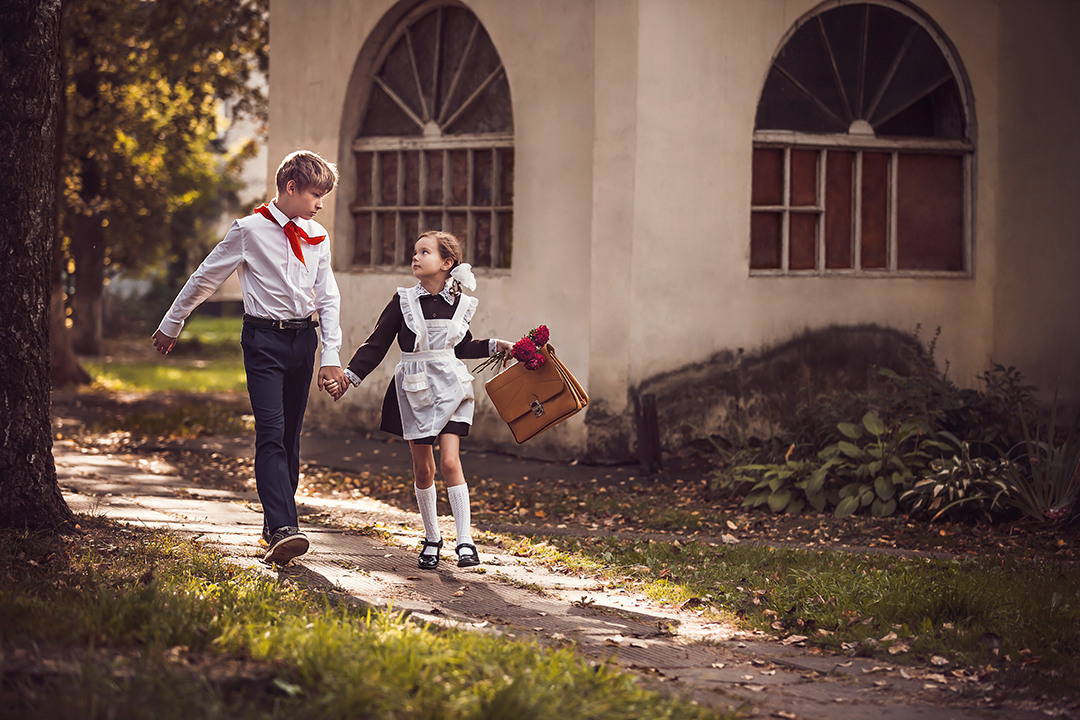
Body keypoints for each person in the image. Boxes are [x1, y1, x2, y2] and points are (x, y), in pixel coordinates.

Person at [152, 150, 346, 566]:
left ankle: (275, 523)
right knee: (271, 431)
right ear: (290, 188)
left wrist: (331, 353)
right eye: (315, 194)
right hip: (263, 340)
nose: (320, 204)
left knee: (291, 435)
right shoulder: (250, 230)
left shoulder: (318, 235)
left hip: (303, 341)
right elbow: (206, 276)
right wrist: (173, 322)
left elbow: (327, 298)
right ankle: (283, 528)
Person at [326, 231, 510, 569]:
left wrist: (496, 345)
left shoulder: (460, 304)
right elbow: (377, 343)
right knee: (424, 468)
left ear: (446, 262)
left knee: (451, 463)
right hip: (416, 390)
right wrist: (349, 378)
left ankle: (465, 540)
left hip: (452, 388)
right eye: (414, 252)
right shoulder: (403, 301)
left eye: (424, 252)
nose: (415, 257)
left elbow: (461, 347)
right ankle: (432, 537)